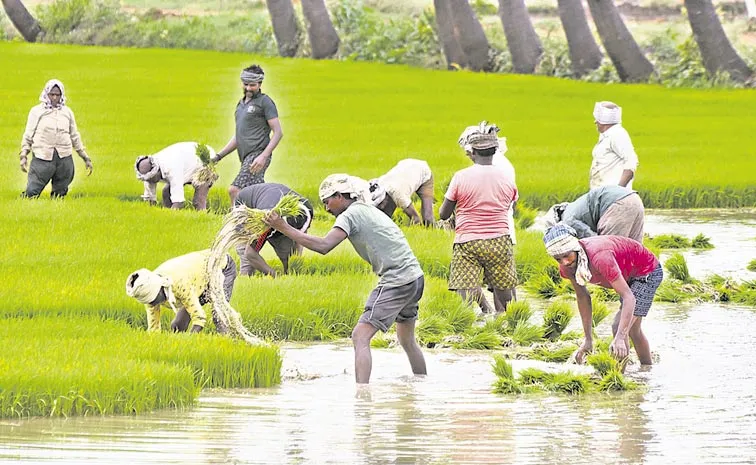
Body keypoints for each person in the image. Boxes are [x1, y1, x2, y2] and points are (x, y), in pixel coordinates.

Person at [263, 174, 427, 384]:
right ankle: (422, 385)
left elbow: (324, 246)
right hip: (414, 277)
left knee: (360, 336)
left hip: (397, 280)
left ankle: (361, 395)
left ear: (339, 196)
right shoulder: (366, 210)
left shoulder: (350, 214)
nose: (327, 209)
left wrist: (283, 228)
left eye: (327, 202)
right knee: (406, 339)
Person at [543, 224, 663, 365]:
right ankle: (646, 371)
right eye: (558, 259)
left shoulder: (600, 257)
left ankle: (618, 379)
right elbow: (582, 297)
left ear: (575, 248)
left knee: (619, 327)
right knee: (633, 330)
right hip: (627, 274)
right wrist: (588, 339)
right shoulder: (567, 268)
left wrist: (619, 337)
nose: (565, 262)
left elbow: (628, 297)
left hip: (647, 271)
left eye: (566, 255)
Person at [440, 126, 519, 314]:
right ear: (494, 151)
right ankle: (507, 323)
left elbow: (443, 213)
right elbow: (512, 206)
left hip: (468, 242)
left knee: (465, 286)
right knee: (503, 287)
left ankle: (468, 323)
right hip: (500, 240)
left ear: (472, 152)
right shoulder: (506, 176)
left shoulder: (461, 176)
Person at [212, 64, 282, 204]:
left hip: (257, 155)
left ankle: (237, 223)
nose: (249, 88)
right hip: (245, 157)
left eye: (252, 85)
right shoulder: (240, 105)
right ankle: (265, 217)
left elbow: (278, 132)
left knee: (234, 190)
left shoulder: (265, 102)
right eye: (245, 84)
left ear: (260, 84)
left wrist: (263, 156)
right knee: (254, 193)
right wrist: (219, 156)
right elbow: (239, 137)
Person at [126, 250, 237, 334]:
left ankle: (229, 343)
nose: (154, 304)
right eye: (151, 302)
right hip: (197, 281)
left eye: (155, 300)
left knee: (218, 316)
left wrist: (191, 341)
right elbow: (154, 329)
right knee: (177, 326)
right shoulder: (146, 294)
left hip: (220, 268)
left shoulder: (178, 283)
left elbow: (199, 318)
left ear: (161, 289)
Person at [19, 79, 93, 198]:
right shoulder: (37, 112)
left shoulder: (67, 112)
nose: (54, 98)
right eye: (51, 94)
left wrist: (85, 157)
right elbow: (28, 135)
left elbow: (74, 136)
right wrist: (23, 155)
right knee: (32, 191)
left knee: (60, 193)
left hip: (64, 158)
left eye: (57, 95)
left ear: (61, 95)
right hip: (42, 157)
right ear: (46, 94)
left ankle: (56, 204)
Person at [234, 183, 314, 276]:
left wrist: (295, 262)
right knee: (247, 261)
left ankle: (289, 278)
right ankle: (245, 282)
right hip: (246, 207)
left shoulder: (305, 210)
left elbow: (300, 238)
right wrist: (274, 275)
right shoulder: (267, 219)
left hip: (272, 199)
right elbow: (250, 254)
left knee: (287, 254)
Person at [545, 185, 645, 243]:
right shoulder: (573, 208)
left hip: (617, 205)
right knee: (635, 250)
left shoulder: (567, 221)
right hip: (634, 199)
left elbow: (593, 240)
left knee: (609, 252)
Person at [134, 142, 216, 210]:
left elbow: (178, 202)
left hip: (205, 160)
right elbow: (150, 200)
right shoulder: (148, 171)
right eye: (147, 179)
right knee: (166, 192)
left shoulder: (172, 168)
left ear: (157, 172)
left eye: (151, 179)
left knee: (198, 200)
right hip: (186, 162)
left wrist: (171, 217)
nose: (150, 181)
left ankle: (201, 218)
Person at [368, 158, 435, 226]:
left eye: (380, 206)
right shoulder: (378, 185)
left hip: (422, 171)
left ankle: (434, 231)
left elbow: (416, 219)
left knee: (427, 218)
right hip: (404, 169)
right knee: (384, 218)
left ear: (385, 198)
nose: (380, 208)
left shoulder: (398, 195)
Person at [590, 101, 639, 190]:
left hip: (612, 196)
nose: (595, 122)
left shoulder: (617, 135)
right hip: (601, 194)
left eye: (597, 119)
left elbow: (631, 161)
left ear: (603, 122)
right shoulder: (606, 135)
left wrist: (617, 191)